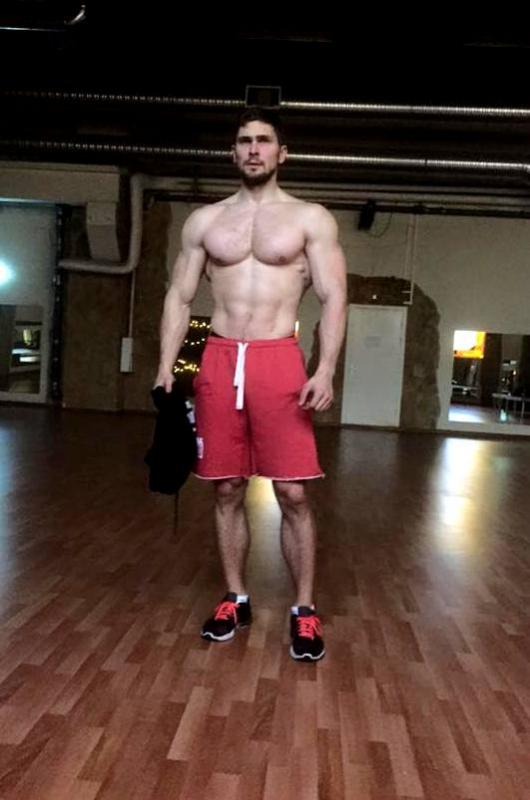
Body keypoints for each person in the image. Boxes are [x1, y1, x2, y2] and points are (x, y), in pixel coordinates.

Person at [155, 106, 347, 662]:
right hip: (218, 356)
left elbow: (334, 296)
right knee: (226, 487)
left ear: (282, 153)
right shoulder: (205, 221)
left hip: (278, 358)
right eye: (245, 141)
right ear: (233, 152)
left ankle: (304, 609)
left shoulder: (310, 218)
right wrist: (167, 365)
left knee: (293, 492)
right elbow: (180, 297)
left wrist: (325, 368)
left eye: (264, 140)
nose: (254, 149)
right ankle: (235, 597)